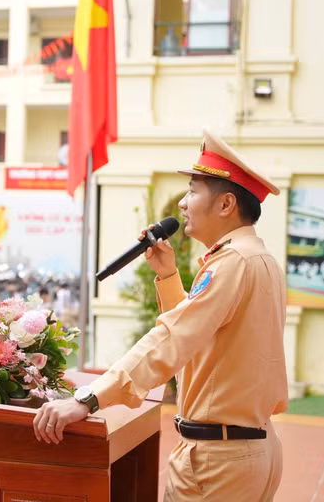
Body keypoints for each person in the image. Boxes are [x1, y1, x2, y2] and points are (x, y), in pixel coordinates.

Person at [33, 129, 288, 501]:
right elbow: (199, 336)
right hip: (249, 451)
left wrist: (87, 399)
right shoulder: (256, 257)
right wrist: (168, 276)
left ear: (225, 204)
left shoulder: (231, 262)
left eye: (193, 191)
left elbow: (172, 338)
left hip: (218, 461)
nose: (183, 204)